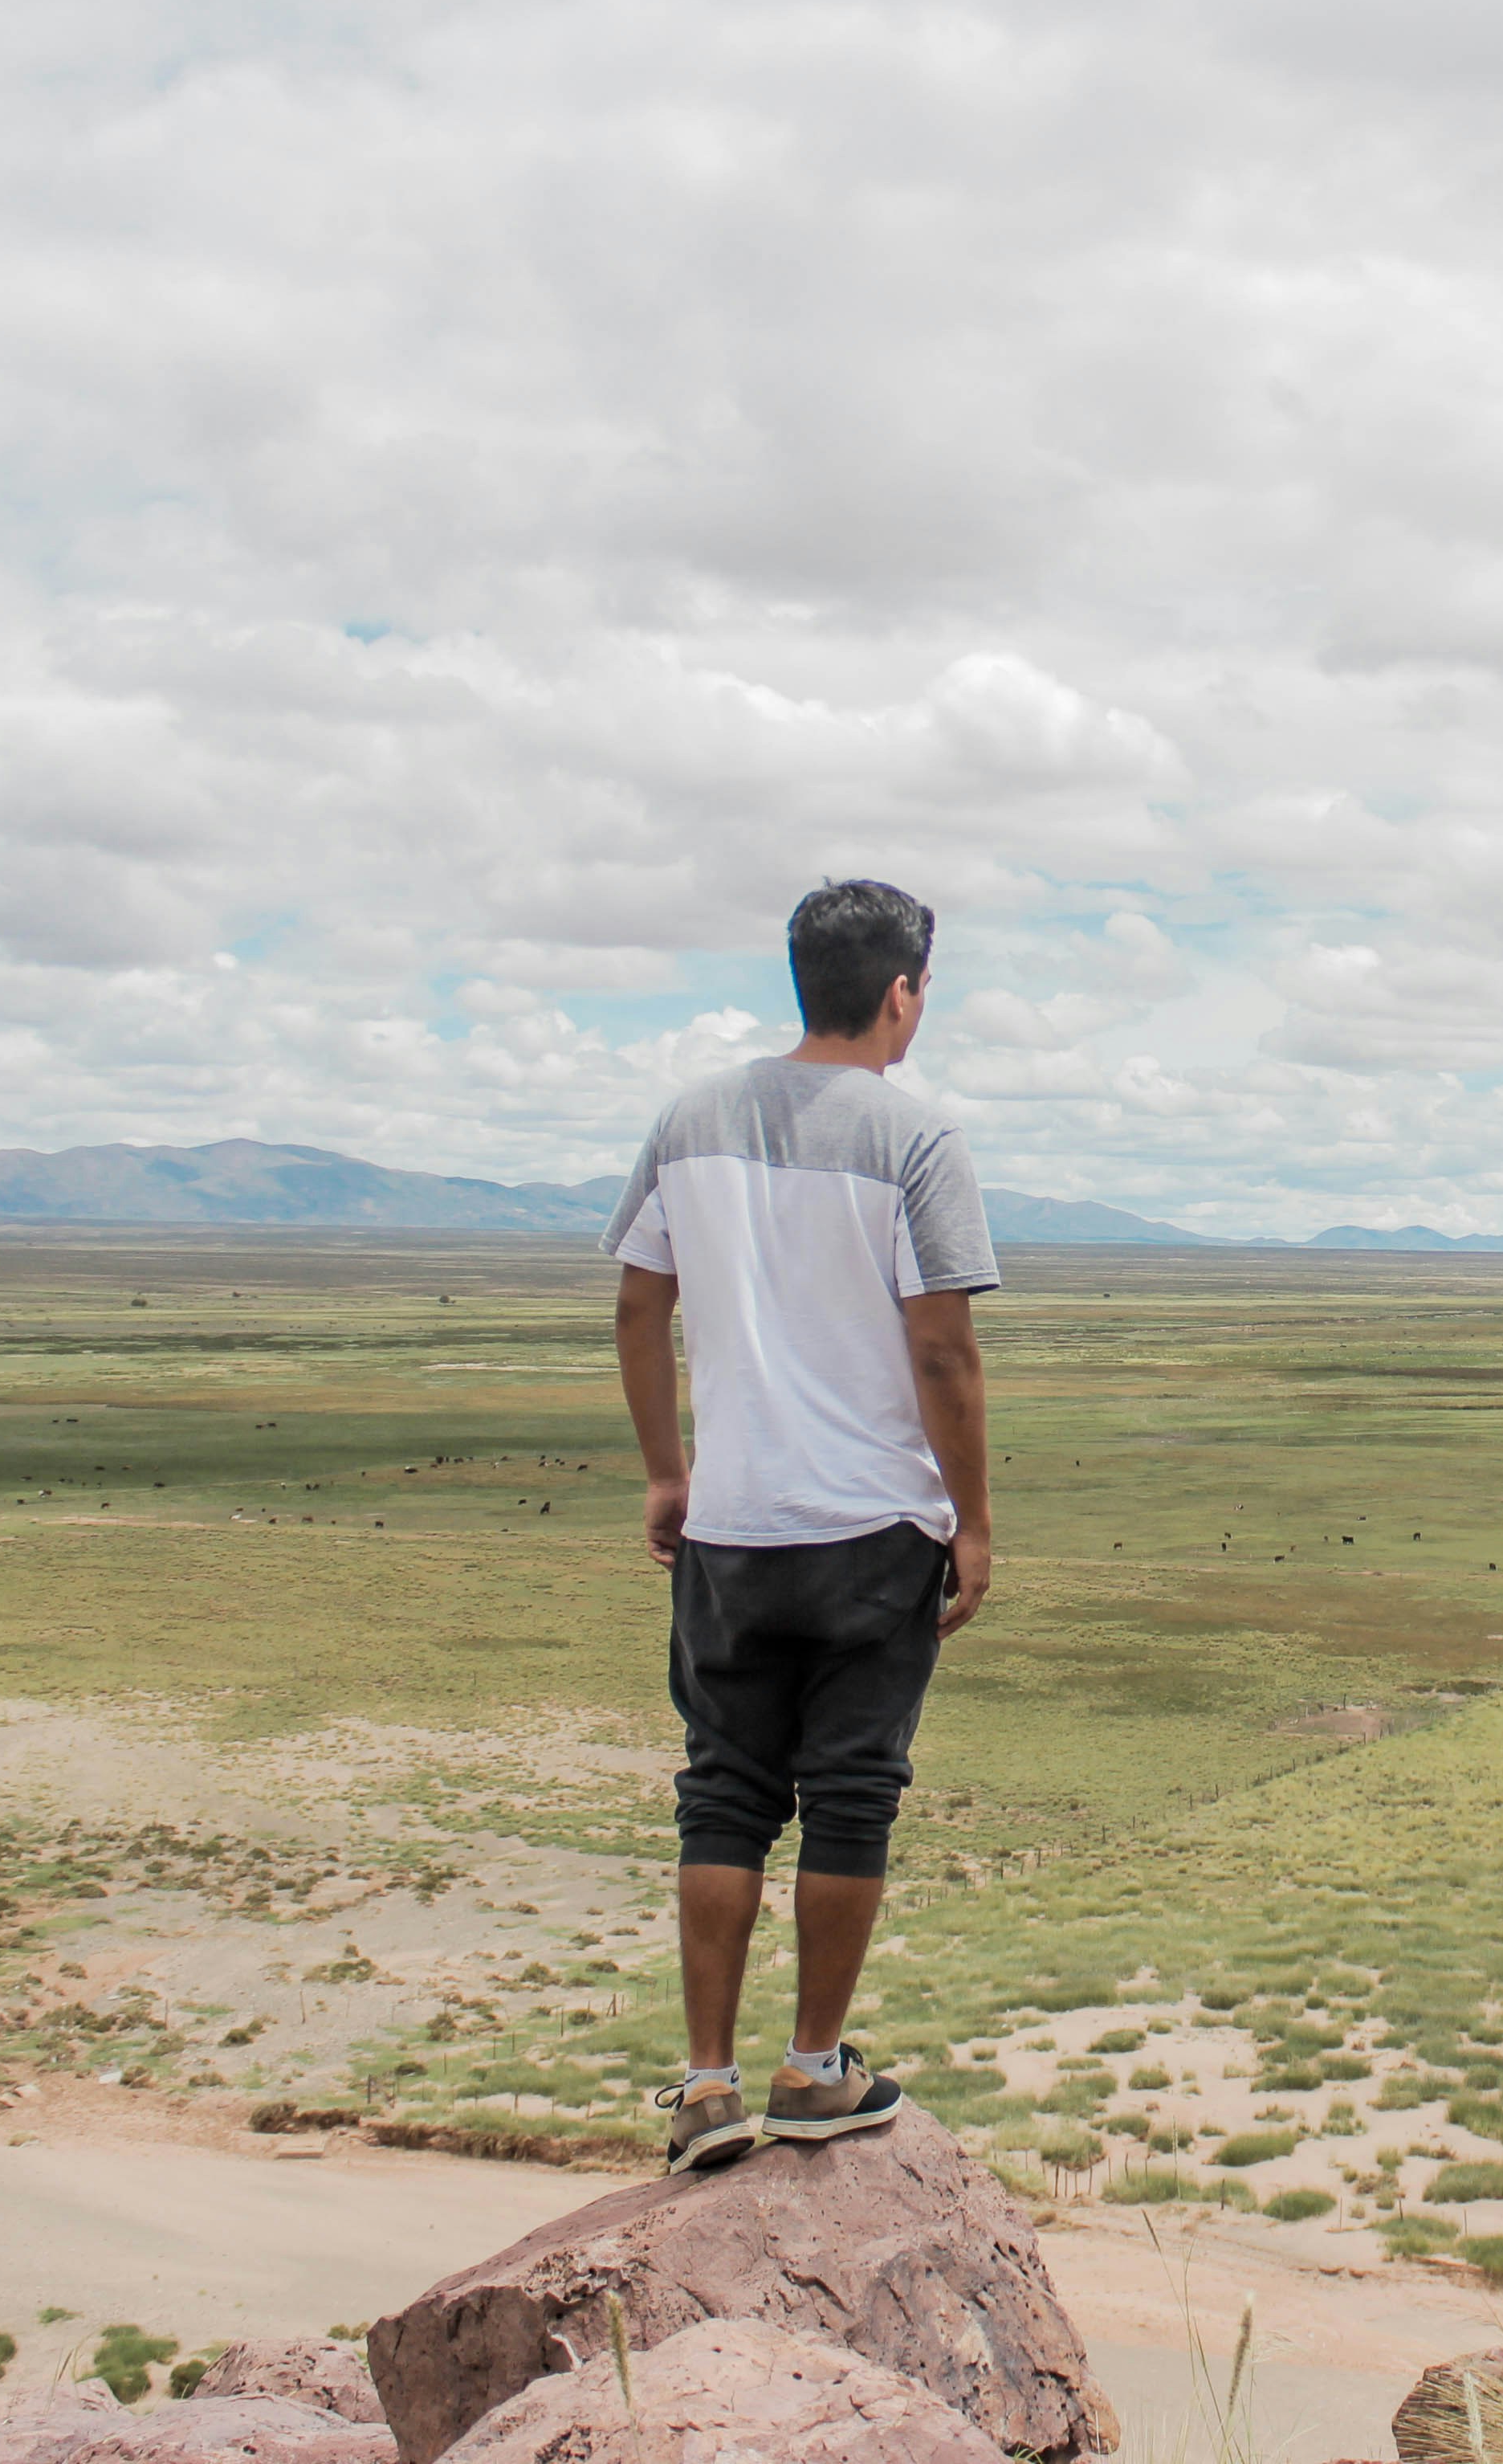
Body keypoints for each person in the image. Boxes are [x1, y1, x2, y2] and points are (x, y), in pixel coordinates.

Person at [605, 878, 999, 2171]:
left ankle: (706, 2083)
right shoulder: (918, 1137)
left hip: (731, 1525)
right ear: (902, 992)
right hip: (872, 1524)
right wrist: (977, 1521)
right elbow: (942, 1351)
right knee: (850, 1801)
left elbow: (636, 1308)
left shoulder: (690, 1118)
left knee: (722, 1796)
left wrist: (671, 1474)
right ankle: (814, 2070)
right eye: (922, 990)